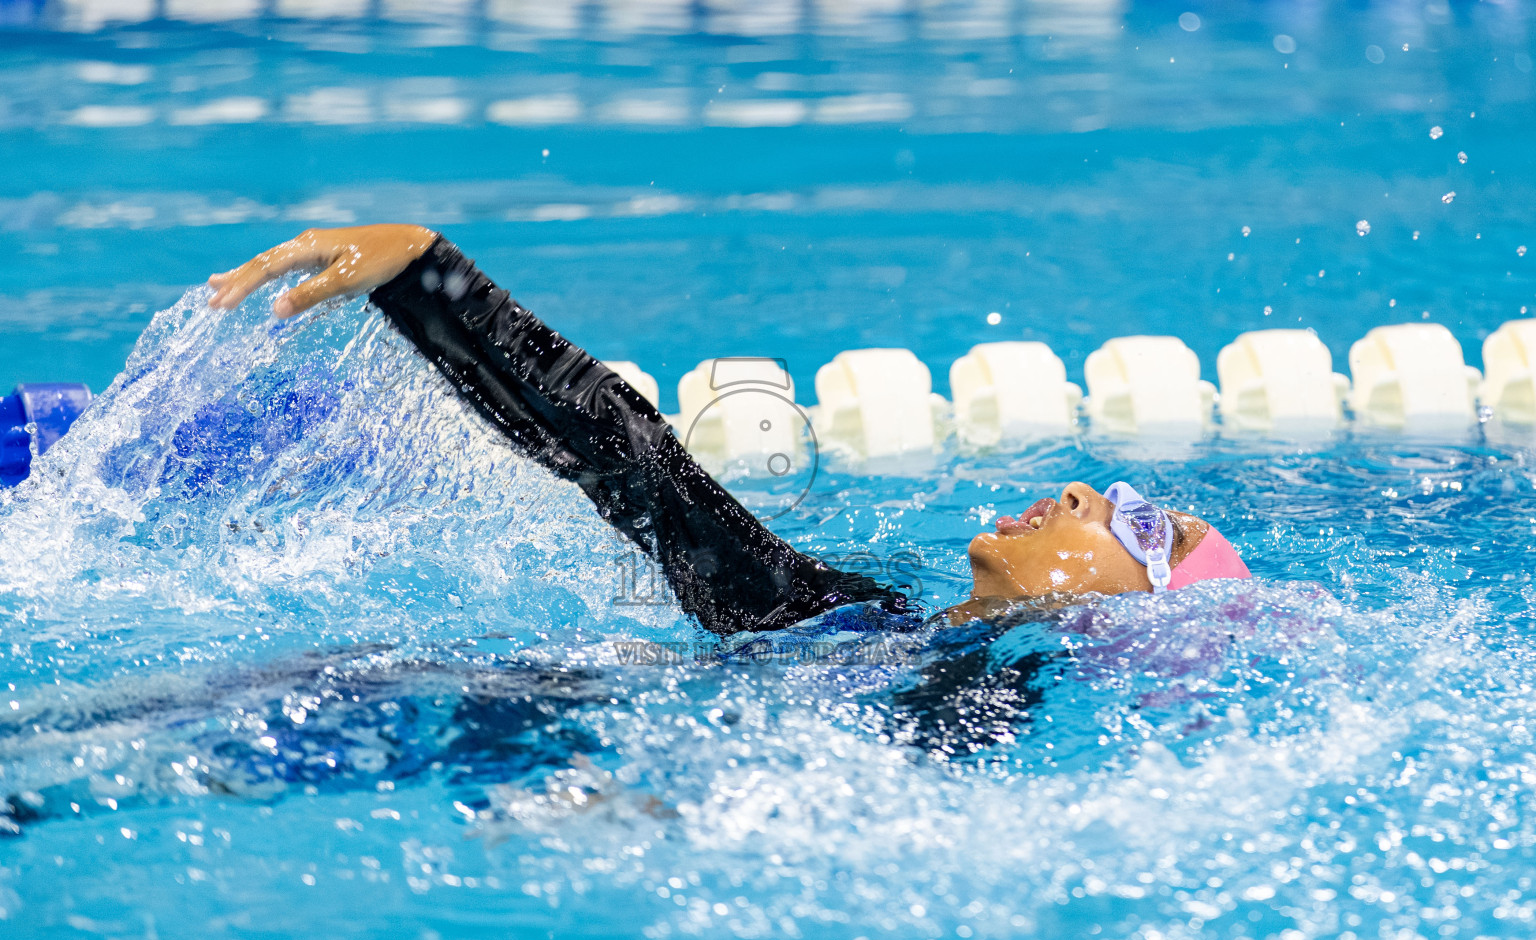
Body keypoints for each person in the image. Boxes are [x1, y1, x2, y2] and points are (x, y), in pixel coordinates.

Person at [206, 224, 1250, 636]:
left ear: (1144, 615)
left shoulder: (1000, 716)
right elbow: (640, 473)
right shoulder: (851, 608)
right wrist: (429, 275)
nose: (1086, 492)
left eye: (1146, 524)